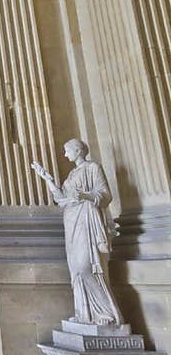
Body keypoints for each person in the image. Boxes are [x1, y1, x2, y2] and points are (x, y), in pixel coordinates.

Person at [31, 139, 123, 327]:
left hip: (87, 219)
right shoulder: (72, 174)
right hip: (71, 221)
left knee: (85, 266)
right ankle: (85, 314)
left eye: (67, 151)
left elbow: (105, 195)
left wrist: (86, 196)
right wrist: (47, 178)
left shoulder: (93, 168)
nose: (65, 155)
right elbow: (61, 198)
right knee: (76, 270)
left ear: (78, 151)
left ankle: (106, 313)